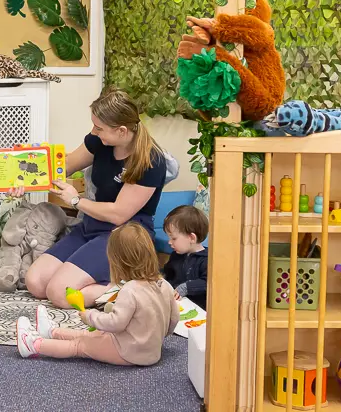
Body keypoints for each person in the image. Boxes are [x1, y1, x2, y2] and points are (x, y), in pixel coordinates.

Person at [15, 88, 168, 309]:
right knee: (36, 283)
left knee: (59, 294)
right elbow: (63, 167)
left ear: (122, 131)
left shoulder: (151, 160)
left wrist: (75, 201)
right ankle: (107, 281)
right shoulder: (100, 141)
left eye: (100, 128)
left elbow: (119, 214)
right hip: (92, 226)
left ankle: (137, 288)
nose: (94, 132)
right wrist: (21, 175)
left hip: (124, 235)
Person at [15, 222, 179, 366]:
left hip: (128, 352)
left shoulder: (130, 290)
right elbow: (174, 319)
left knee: (80, 345)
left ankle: (33, 345)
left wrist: (90, 316)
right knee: (96, 335)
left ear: (118, 262)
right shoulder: (164, 285)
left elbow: (115, 324)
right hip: (150, 352)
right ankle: (52, 332)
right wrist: (154, 336)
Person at [162, 205, 209, 308]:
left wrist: (187, 287)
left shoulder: (206, 260)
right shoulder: (176, 255)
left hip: (198, 311)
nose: (169, 242)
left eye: (174, 238)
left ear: (192, 238)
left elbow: (208, 283)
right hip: (177, 305)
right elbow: (168, 273)